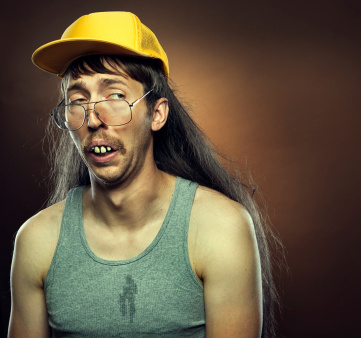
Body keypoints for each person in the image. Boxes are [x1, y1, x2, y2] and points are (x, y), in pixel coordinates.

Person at [8, 11, 281, 338]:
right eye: (78, 100)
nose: (94, 118)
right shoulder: (36, 240)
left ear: (157, 113)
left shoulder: (220, 228)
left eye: (116, 95)